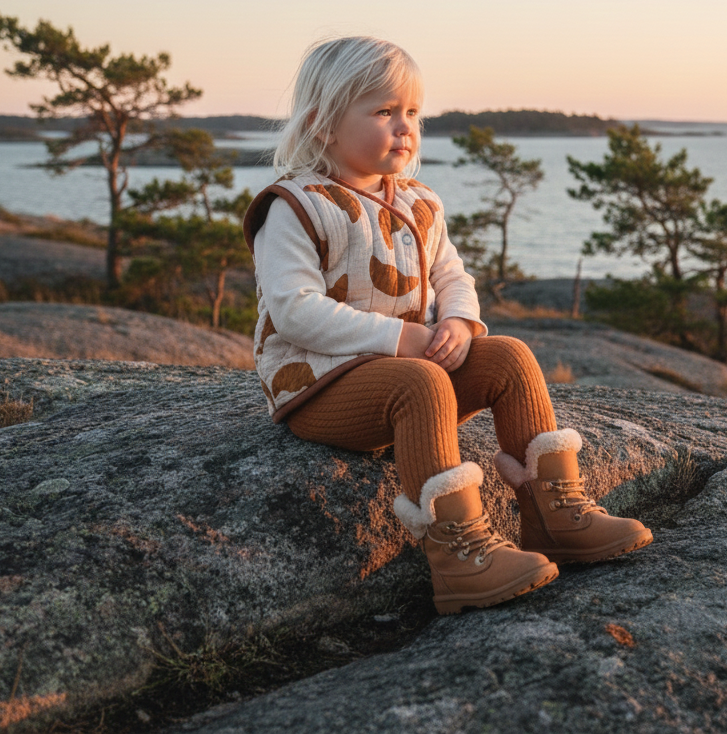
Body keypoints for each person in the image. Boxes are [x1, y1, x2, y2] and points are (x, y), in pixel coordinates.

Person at [243, 37, 652, 614]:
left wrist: (459, 320)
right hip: (323, 384)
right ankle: (459, 556)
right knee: (422, 383)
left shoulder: (418, 202)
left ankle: (555, 512)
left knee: (508, 355)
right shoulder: (296, 206)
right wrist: (401, 339)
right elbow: (294, 309)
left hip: (409, 374)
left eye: (412, 112)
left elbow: (451, 274)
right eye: (383, 111)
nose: (404, 127)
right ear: (323, 124)